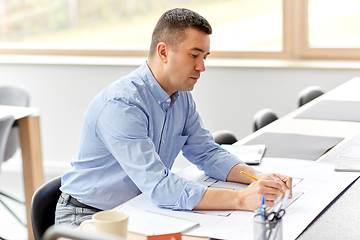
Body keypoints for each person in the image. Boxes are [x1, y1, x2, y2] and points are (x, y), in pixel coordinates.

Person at [55, 8, 292, 226]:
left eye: (205, 57)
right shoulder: (122, 105)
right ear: (163, 51)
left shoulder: (181, 96)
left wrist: (259, 178)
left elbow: (207, 153)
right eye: (194, 55)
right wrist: (241, 200)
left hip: (138, 207)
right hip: (88, 216)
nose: (202, 67)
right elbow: (160, 187)